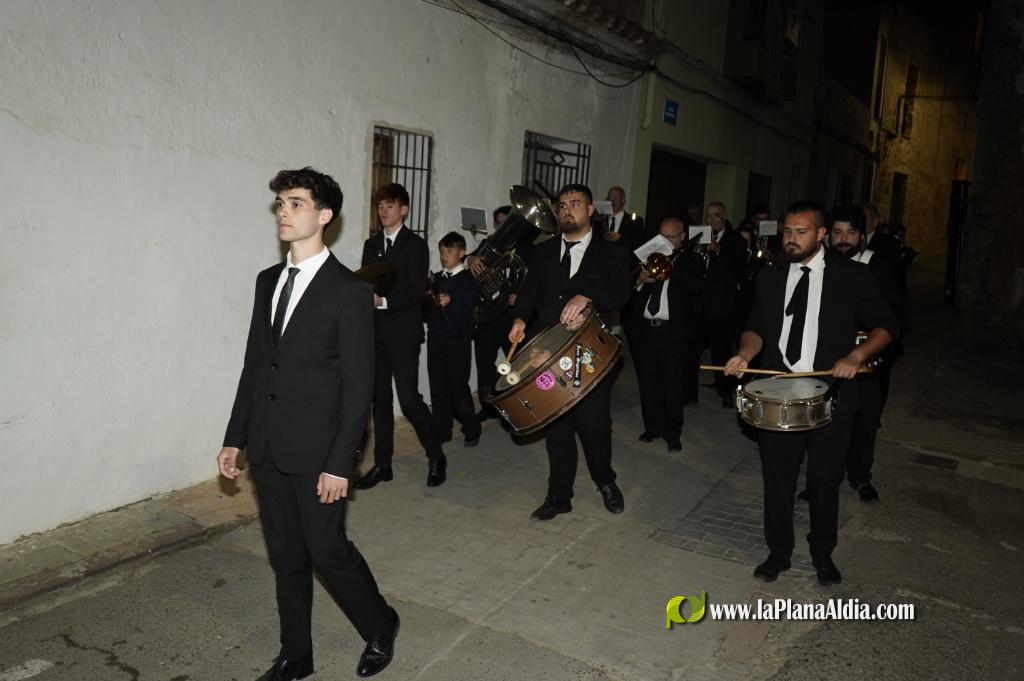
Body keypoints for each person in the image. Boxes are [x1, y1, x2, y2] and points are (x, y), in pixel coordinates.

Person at [219, 167, 398, 680]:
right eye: (280, 202)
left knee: (327, 551)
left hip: (321, 452)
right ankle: (296, 654)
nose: (283, 211)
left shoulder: (348, 290)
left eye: (296, 203)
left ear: (324, 215)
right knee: (286, 557)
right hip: (269, 447)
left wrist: (343, 462)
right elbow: (255, 366)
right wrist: (236, 437)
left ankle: (381, 623)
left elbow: (359, 386)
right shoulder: (267, 282)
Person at [724, 201, 897, 587]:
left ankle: (822, 553)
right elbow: (755, 327)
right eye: (786, 231)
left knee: (823, 479)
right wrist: (744, 353)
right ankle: (779, 552)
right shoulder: (770, 277)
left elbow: (886, 326)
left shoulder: (851, 276)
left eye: (800, 232)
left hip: (832, 393)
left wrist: (856, 355)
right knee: (778, 478)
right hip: (778, 390)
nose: (790, 238)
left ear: (821, 234)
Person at [509, 183, 631, 520]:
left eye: (575, 204)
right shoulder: (543, 251)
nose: (567, 210)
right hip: (547, 352)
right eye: (562, 205)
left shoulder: (613, 254)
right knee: (556, 425)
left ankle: (605, 481)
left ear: (591, 210)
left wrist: (588, 296)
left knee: (593, 425)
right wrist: (519, 318)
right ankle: (559, 496)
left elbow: (620, 292)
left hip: (591, 352)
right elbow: (529, 291)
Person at [357, 183, 447, 489]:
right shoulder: (372, 246)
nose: (383, 211)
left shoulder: (415, 246)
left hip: (404, 334)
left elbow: (414, 291)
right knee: (379, 403)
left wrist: (384, 301)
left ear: (404, 209)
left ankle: (436, 457)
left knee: (409, 400)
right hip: (376, 333)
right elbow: (367, 282)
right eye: (380, 206)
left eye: (390, 206)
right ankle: (383, 465)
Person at [828, 206, 907, 502]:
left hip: (868, 360)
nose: (843, 239)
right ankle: (825, 478)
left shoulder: (878, 266)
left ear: (862, 237)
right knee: (827, 421)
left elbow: (896, 313)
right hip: (828, 360)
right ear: (827, 236)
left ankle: (860, 477)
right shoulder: (822, 266)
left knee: (866, 419)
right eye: (837, 232)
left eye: (850, 233)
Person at [628, 217, 702, 451]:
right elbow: (630, 293)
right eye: (661, 236)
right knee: (648, 382)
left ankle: (672, 433)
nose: (665, 241)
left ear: (681, 237)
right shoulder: (649, 259)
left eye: (670, 236)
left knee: (672, 383)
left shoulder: (691, 260)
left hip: (673, 332)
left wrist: (673, 267)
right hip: (646, 331)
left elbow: (696, 287)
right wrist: (640, 280)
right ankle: (652, 427)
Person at [468, 205, 534, 422]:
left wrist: (521, 296)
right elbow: (468, 260)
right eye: (499, 224)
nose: (503, 228)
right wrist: (471, 260)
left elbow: (537, 283)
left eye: (507, 223)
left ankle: (518, 405)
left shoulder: (530, 249)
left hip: (512, 316)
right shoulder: (489, 244)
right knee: (484, 363)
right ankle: (487, 407)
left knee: (517, 363)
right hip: (487, 315)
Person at [427, 232, 481, 447]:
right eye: (442, 251)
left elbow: (468, 305)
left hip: (458, 340)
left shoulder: (468, 280)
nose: (444, 255)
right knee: (438, 386)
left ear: (462, 253)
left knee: (457, 387)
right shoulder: (437, 278)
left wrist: (452, 301)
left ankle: (471, 427)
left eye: (449, 251)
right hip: (437, 338)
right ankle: (442, 429)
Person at [697, 201, 747, 407]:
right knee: (693, 348)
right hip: (700, 302)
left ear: (724, 216)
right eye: (708, 216)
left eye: (715, 215)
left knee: (721, 351)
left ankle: (726, 392)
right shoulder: (699, 236)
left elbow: (739, 267)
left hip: (722, 305)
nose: (711, 220)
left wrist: (718, 250)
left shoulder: (735, 239)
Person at [602, 186, 646, 252]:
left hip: (625, 260)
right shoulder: (601, 220)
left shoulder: (635, 221)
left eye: (615, 197)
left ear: (623, 200)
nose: (611, 200)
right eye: (609, 198)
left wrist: (620, 238)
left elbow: (639, 245)